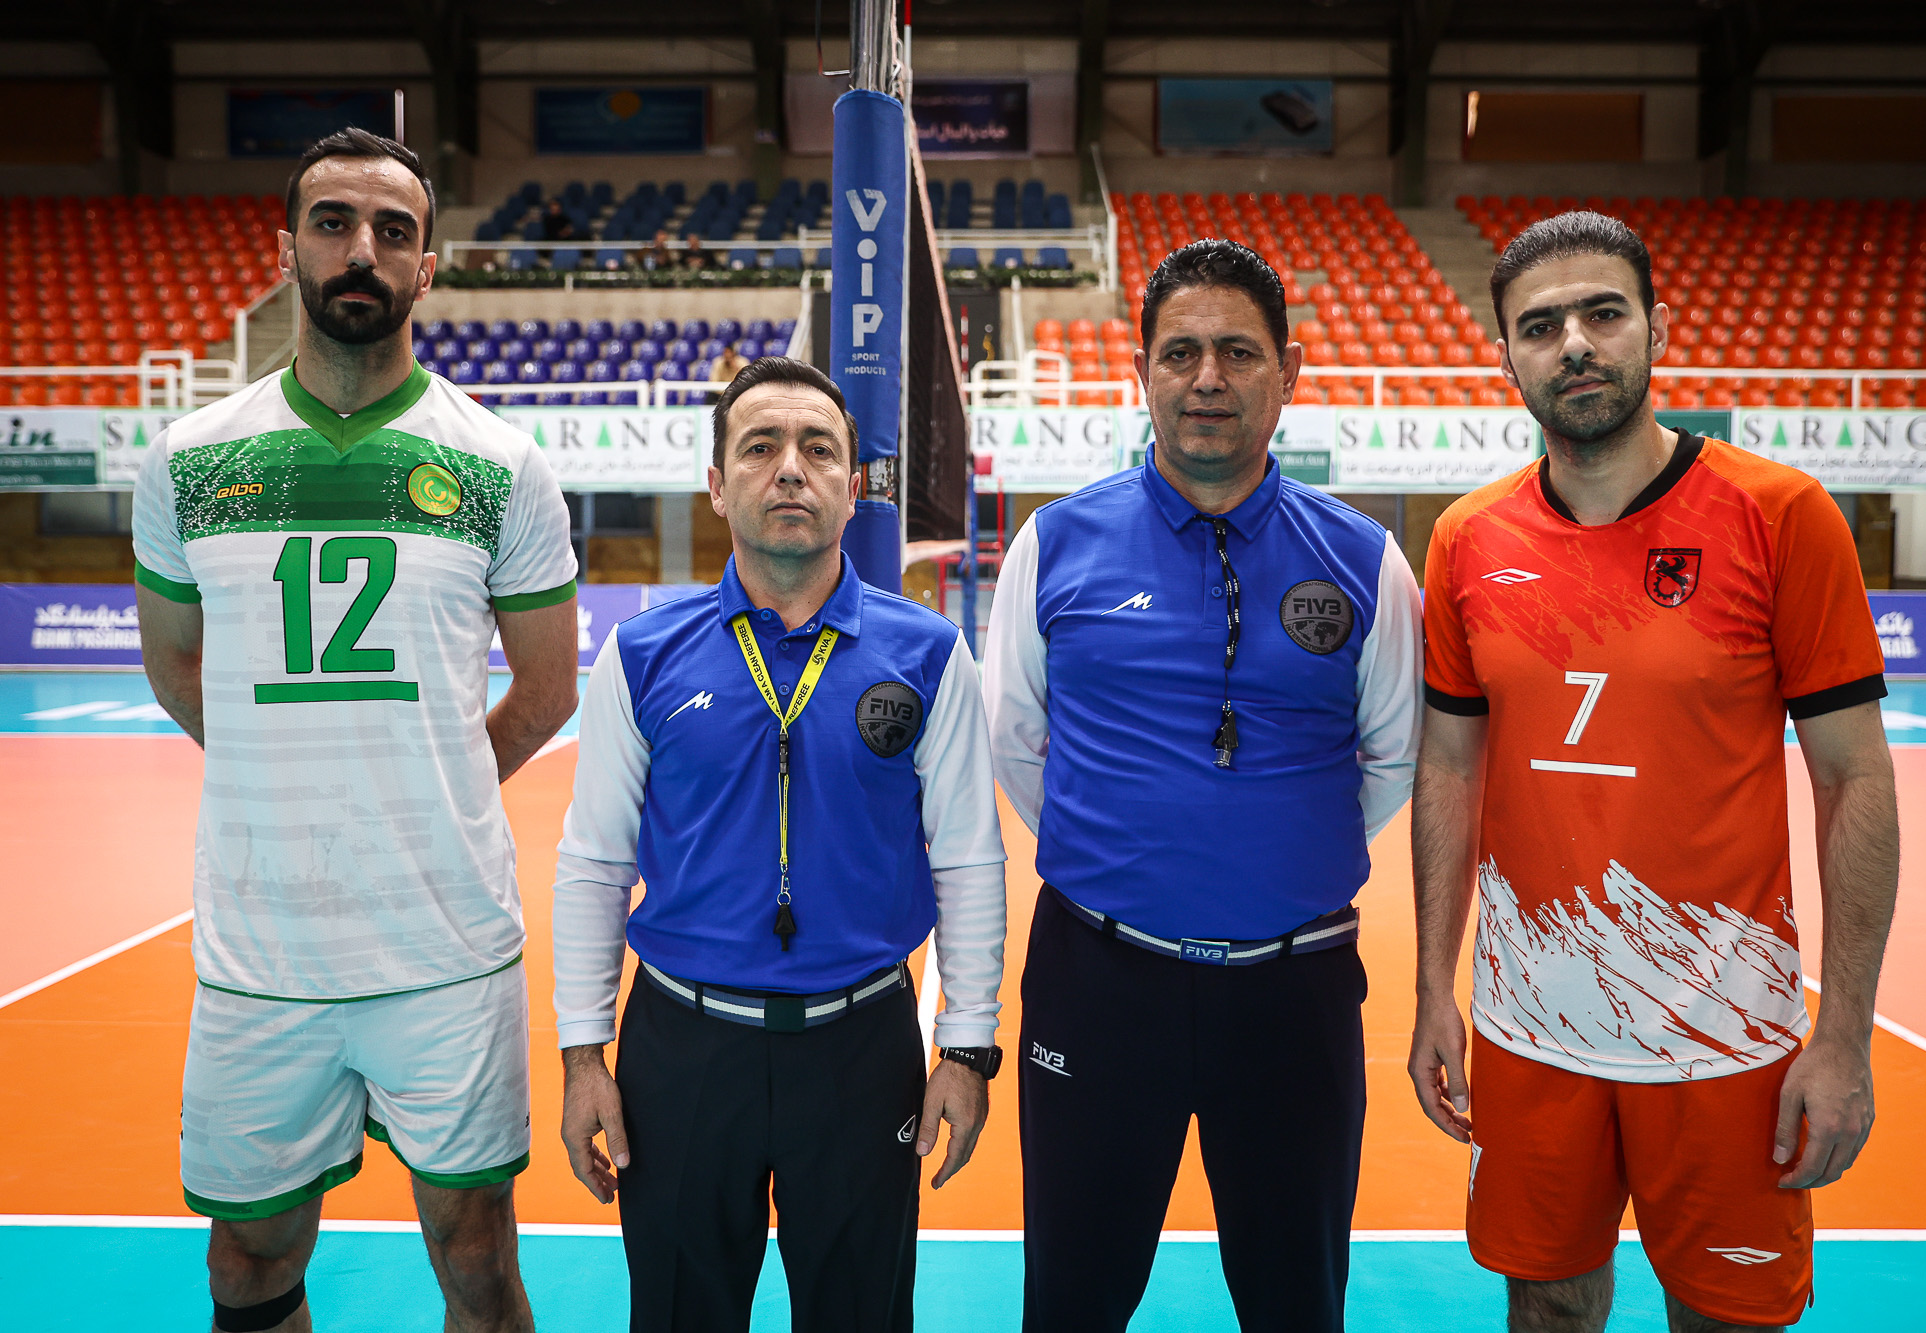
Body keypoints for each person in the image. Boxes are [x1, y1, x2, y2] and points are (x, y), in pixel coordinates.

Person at [1408, 211, 1897, 1333]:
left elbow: (1855, 783)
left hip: (1725, 1033)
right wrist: (1436, 987)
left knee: (1725, 1317)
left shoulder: (1781, 516)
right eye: (1541, 326)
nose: (1574, 343)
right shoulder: (1467, 539)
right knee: (1548, 1308)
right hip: (1531, 1028)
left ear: (1656, 328)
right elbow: (1448, 770)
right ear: (1506, 354)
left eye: (1602, 313)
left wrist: (1843, 1034)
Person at [133, 127, 578, 1333]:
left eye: (392, 230)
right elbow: (174, 668)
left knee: (475, 1253)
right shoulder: (187, 460)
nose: (360, 250)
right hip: (263, 947)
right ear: (288, 249)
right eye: (332, 222)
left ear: (426, 267)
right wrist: (278, 768)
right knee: (246, 1258)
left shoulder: (500, 463)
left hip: (445, 942)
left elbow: (546, 691)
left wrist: (430, 781)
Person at [983, 238, 1423, 1333]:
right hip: (1097, 981)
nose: (1207, 377)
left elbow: (1391, 756)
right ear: (1141, 371)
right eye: (1179, 352)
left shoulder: (1366, 560)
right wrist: (1132, 862)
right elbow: (1017, 744)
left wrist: (1272, 867)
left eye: (1237, 351)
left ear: (1288, 371)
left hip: (1294, 993)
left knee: (1295, 1305)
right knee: (1070, 1304)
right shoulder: (1053, 543)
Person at [553, 356, 1008, 1332]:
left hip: (862, 1047)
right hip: (681, 1050)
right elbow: (594, 863)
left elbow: (969, 859)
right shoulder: (643, 653)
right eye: (760, 447)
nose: (791, 468)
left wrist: (966, 1047)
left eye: (818, 449)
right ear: (718, 486)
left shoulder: (929, 654)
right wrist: (583, 1056)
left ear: (854, 484)